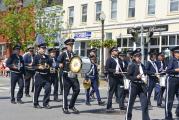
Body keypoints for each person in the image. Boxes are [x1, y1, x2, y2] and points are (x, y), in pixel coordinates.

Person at [125, 48, 150, 120]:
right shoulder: (132, 65)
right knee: (130, 104)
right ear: (134, 57)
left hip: (142, 86)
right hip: (134, 85)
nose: (139, 58)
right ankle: (127, 118)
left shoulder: (142, 65)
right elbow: (128, 76)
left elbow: (146, 71)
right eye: (138, 56)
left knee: (145, 103)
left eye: (140, 56)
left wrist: (153, 73)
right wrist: (136, 77)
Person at [58, 38, 80, 114]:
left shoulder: (74, 55)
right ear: (66, 46)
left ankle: (71, 105)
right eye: (69, 45)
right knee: (66, 92)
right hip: (66, 75)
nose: (71, 46)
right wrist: (59, 64)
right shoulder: (63, 54)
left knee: (77, 90)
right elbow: (57, 62)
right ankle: (65, 107)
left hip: (73, 75)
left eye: (72, 45)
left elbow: (77, 64)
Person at [33, 34, 51, 109]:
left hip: (46, 76)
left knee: (48, 88)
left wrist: (49, 66)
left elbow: (50, 65)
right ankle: (36, 103)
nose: (44, 50)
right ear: (39, 49)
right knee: (37, 90)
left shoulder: (47, 57)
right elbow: (33, 66)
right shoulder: (36, 57)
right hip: (39, 76)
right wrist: (38, 67)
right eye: (42, 48)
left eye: (44, 48)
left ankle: (45, 103)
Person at [105, 47, 125, 111]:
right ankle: (109, 106)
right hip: (113, 78)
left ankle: (121, 105)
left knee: (121, 92)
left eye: (117, 50)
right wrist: (114, 70)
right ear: (112, 52)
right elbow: (107, 69)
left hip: (119, 78)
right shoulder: (109, 59)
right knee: (111, 92)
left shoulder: (119, 59)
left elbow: (122, 68)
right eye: (115, 50)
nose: (117, 51)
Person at [165, 46, 179, 119]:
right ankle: (168, 116)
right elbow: (168, 71)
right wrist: (176, 70)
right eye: (178, 52)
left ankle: (178, 112)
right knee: (170, 99)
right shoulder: (172, 60)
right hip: (172, 79)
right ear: (174, 53)